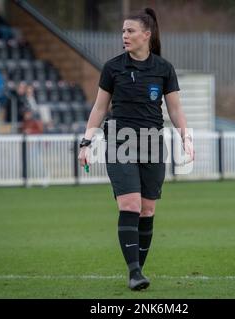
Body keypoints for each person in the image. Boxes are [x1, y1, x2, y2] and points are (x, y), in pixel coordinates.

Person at [77, 8, 194, 291]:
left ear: (146, 35)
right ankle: (134, 273)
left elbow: (175, 108)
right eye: (123, 31)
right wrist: (87, 141)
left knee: (147, 209)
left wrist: (185, 137)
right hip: (120, 140)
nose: (124, 36)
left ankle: (138, 269)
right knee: (130, 204)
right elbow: (100, 108)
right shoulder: (113, 67)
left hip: (153, 143)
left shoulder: (164, 69)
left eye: (130, 31)